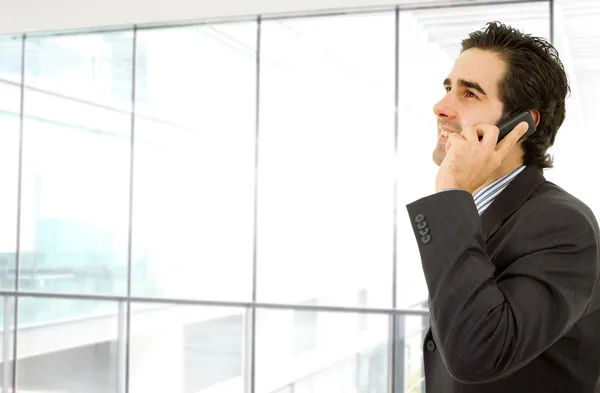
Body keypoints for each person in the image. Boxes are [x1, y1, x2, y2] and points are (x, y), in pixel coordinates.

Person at [406, 21, 600, 393]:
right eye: (448, 88)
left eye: (469, 94)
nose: (440, 106)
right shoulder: (474, 213)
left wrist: (450, 193)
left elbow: (477, 353)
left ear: (521, 125)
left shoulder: (563, 224)